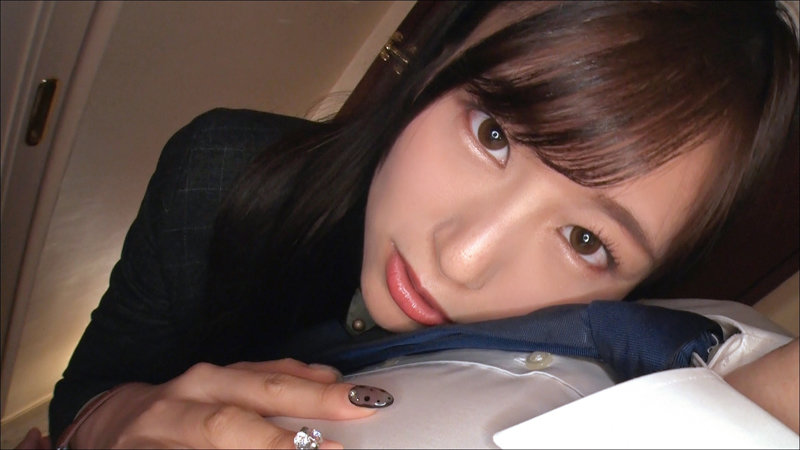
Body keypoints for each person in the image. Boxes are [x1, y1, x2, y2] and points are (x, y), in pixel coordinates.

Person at [41, 1, 798, 448]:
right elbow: (83, 388)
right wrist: (113, 417)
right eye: (493, 134)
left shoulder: (572, 383)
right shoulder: (218, 171)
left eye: (586, 241)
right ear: (441, 55)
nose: (463, 259)